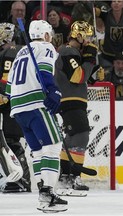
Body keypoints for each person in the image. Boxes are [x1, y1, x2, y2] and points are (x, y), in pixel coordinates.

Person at [5, 20, 67, 212]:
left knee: (39, 151)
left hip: (18, 108)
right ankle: (48, 193)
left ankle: (42, 193)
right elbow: (45, 71)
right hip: (35, 104)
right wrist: (53, 90)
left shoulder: (20, 53)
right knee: (53, 146)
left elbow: (8, 88)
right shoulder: (46, 47)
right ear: (47, 35)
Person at [55, 21, 104, 196]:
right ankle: (74, 177)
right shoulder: (69, 51)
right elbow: (77, 76)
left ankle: (65, 177)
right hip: (71, 99)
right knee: (82, 135)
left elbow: (82, 77)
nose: (90, 40)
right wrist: (90, 59)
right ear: (80, 36)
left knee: (72, 137)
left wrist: (92, 70)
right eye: (88, 36)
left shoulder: (73, 53)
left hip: (71, 99)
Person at [0, 22, 31, 193]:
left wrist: (5, 96)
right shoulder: (17, 52)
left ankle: (20, 180)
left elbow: (6, 82)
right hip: (16, 103)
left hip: (8, 105)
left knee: (10, 141)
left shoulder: (10, 53)